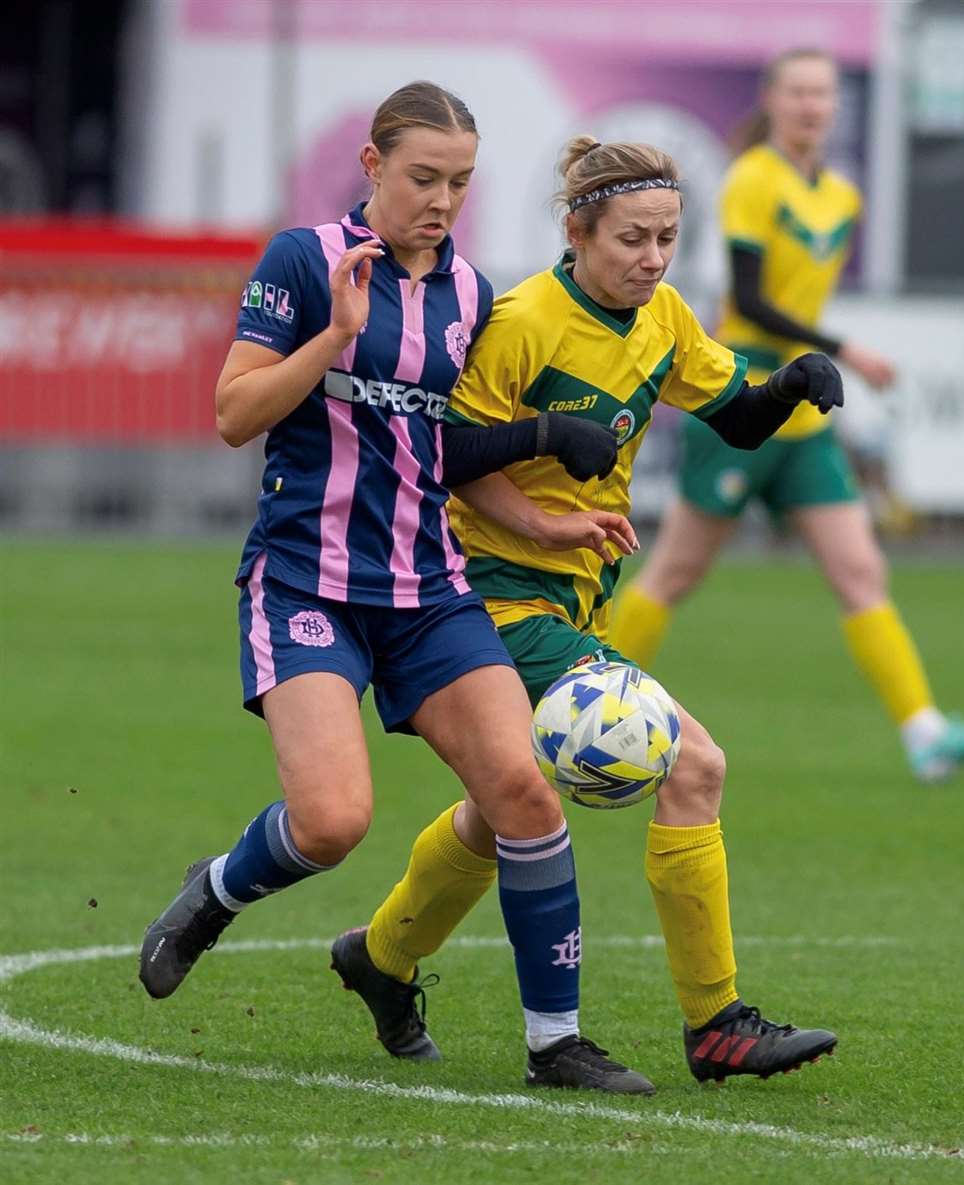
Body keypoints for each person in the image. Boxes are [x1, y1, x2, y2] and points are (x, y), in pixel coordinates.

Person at [137, 81, 655, 1096]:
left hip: (429, 588)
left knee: (521, 789)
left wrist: (546, 519)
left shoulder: (471, 295)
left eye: (460, 182)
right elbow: (235, 413)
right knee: (331, 824)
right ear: (372, 167)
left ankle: (557, 1043)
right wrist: (333, 339)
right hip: (306, 581)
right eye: (424, 177)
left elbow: (442, 451)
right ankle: (215, 892)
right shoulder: (302, 260)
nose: (442, 199)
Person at [343, 135, 842, 1087]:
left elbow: (732, 412)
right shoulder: (524, 319)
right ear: (577, 232)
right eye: (631, 239)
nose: (652, 259)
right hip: (489, 595)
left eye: (666, 238)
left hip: (572, 599)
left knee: (504, 813)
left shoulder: (662, 317)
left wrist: (786, 385)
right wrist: (542, 513)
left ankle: (382, 954)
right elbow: (445, 456)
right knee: (695, 759)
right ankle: (717, 1022)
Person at [612, 49, 964, 783]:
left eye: (822, 94)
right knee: (673, 573)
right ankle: (572, 702)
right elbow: (755, 300)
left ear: (836, 106)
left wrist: (828, 356)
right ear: (773, 98)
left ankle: (925, 733)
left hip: (803, 411)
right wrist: (846, 349)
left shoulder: (842, 194)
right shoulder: (752, 181)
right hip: (741, 398)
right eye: (797, 91)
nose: (810, 105)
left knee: (861, 570)